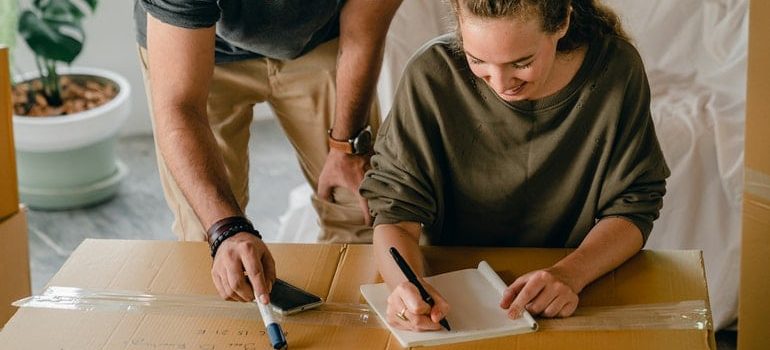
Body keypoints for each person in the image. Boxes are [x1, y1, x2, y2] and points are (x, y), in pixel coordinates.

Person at [360, 0, 670, 331]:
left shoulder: (616, 68)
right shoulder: (431, 74)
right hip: (452, 297)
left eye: (521, 63)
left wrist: (570, 273)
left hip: (569, 292)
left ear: (562, 22)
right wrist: (406, 287)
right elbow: (396, 213)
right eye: (477, 60)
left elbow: (633, 207)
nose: (500, 83)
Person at [133, 0, 402, 304]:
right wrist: (226, 230)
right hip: (196, 49)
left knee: (361, 214)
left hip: (320, 41)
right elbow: (180, 106)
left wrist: (346, 146)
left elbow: (363, 34)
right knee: (207, 242)